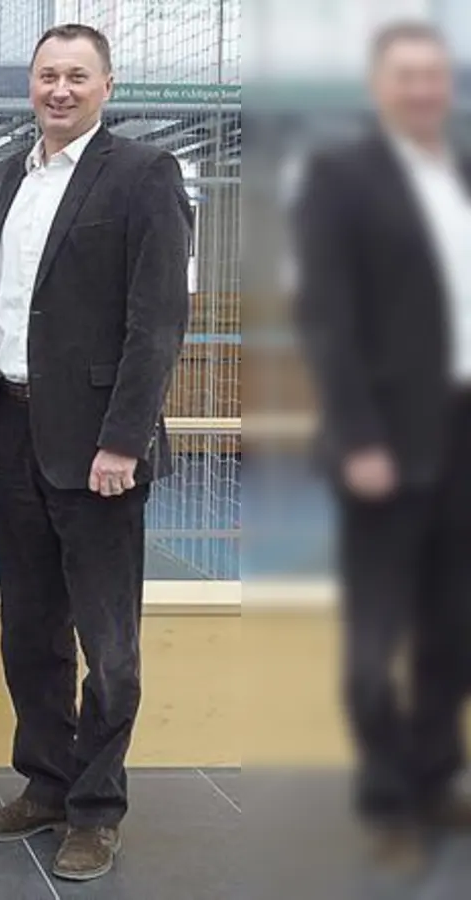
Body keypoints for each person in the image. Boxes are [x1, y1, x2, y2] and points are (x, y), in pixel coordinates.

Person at [0, 24, 191, 882]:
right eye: (47, 74)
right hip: (12, 429)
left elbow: (157, 321)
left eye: (77, 76)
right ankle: (47, 785)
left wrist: (124, 439)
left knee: (108, 644)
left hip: (99, 446)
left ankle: (97, 808)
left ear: (107, 85)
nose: (60, 89)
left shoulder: (144, 174)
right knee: (30, 633)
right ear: (30, 84)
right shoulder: (7, 176)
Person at [293, 21, 471, 872]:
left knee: (455, 626)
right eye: (407, 75)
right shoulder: (341, 178)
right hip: (387, 437)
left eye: (434, 75)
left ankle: (436, 777)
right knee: (377, 636)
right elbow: (328, 318)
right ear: (378, 85)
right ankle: (388, 800)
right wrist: (359, 434)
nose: (423, 90)